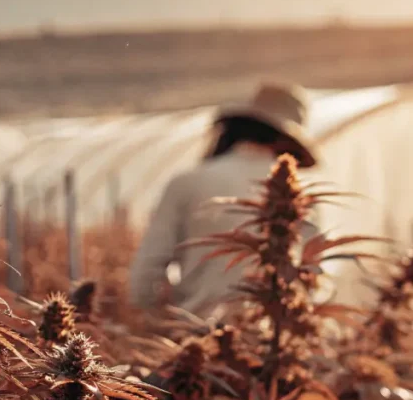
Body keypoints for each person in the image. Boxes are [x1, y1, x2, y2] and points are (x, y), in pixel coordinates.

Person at [127, 82, 320, 318]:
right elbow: (314, 278)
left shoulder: (187, 182)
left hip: (196, 335)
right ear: (287, 142)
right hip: (272, 341)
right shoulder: (302, 195)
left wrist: (163, 325)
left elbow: (144, 279)